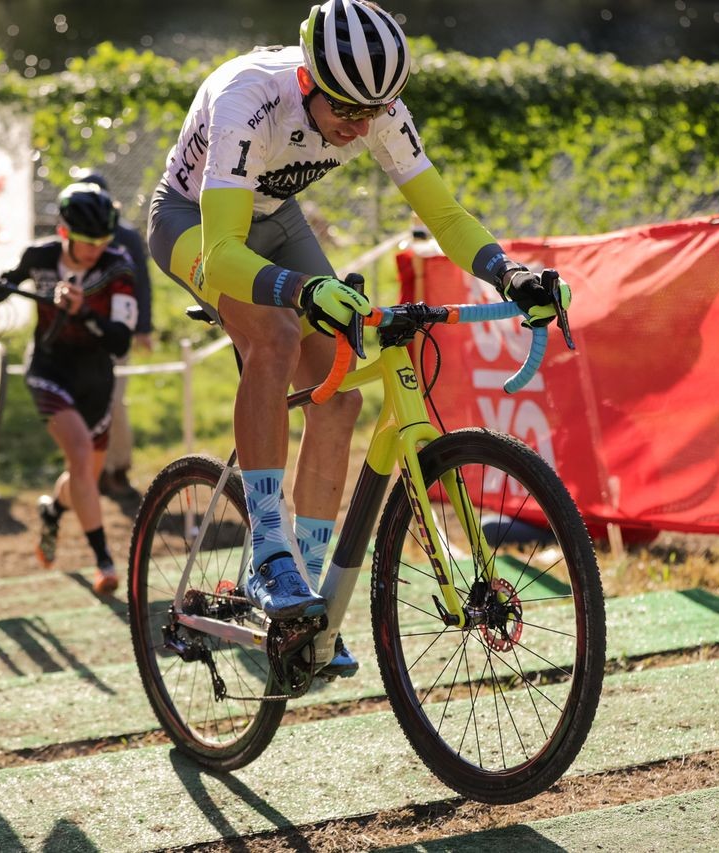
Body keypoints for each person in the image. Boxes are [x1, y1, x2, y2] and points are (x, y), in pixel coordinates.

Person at [146, 0, 569, 679]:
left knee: (338, 396)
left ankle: (304, 603)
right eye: (346, 113)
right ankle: (271, 559)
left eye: (372, 115)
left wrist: (506, 272)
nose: (358, 129)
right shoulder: (247, 98)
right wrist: (301, 290)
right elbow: (223, 249)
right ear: (310, 82)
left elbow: (445, 213)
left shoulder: (374, 106)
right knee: (278, 336)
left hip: (277, 220)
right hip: (194, 223)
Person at [0, 182, 138, 596]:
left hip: (96, 380)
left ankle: (53, 510)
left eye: (102, 240)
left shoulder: (118, 267)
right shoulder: (39, 256)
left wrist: (84, 312)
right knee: (78, 454)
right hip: (49, 371)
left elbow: (120, 341)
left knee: (83, 479)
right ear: (64, 233)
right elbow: (9, 280)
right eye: (85, 241)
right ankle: (104, 561)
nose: (95, 249)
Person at [82, 170, 154, 505]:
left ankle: (118, 468)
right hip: (83, 331)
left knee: (113, 400)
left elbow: (141, 282)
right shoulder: (75, 238)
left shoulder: (124, 235)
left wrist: (142, 328)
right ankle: (94, 469)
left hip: (116, 330)